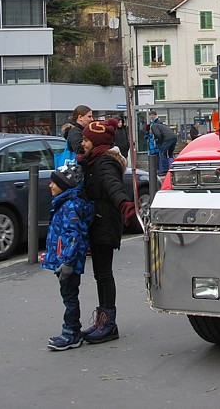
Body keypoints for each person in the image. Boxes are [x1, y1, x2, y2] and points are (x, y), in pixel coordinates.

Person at [78, 119, 135, 344]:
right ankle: (103, 319)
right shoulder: (92, 160)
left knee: (104, 274)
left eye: (86, 139)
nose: (82, 143)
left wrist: (124, 204)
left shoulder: (104, 163)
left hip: (105, 223)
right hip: (98, 222)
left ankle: (109, 323)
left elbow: (113, 186)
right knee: (100, 274)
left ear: (96, 141)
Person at [42, 163, 94, 351]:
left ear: (65, 185)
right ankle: (72, 330)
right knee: (68, 295)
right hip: (64, 260)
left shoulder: (70, 206)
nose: (50, 185)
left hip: (68, 263)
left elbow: (73, 236)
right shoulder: (65, 203)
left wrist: (67, 262)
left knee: (70, 297)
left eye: (54, 183)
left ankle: (71, 332)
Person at [149, 111, 176, 176]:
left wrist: (160, 142)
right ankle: (173, 167)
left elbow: (158, 134)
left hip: (167, 139)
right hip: (173, 137)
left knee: (162, 152)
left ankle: (165, 170)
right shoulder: (159, 124)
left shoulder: (154, 126)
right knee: (170, 153)